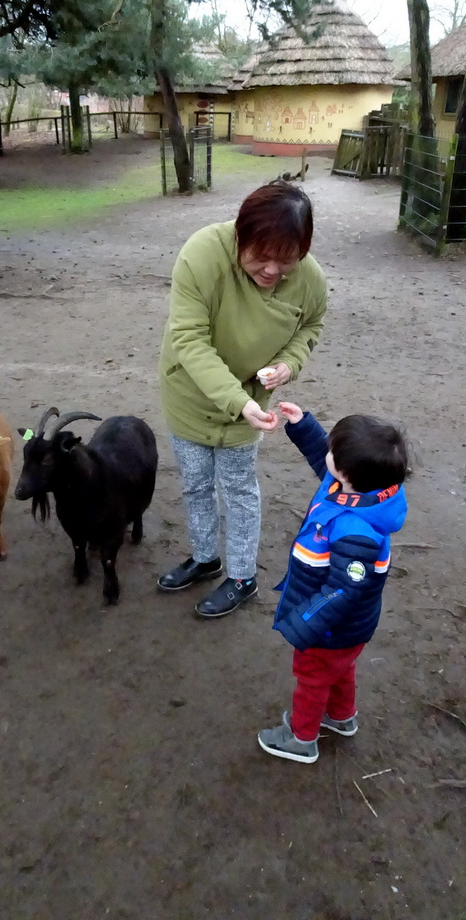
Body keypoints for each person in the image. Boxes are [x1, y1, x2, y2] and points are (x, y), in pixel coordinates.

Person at [157, 180, 328, 619]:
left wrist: (290, 363)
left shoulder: (309, 280)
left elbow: (311, 327)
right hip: (192, 394)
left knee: (237, 490)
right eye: (261, 256)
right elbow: (189, 340)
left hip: (251, 407)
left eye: (286, 260)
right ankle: (204, 557)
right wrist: (237, 399)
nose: (273, 270)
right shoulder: (201, 255)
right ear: (240, 234)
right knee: (195, 482)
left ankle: (241, 576)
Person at [257, 403, 409, 764]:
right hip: (346, 633)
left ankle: (301, 737)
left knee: (311, 678)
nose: (326, 452)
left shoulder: (354, 532)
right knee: (341, 669)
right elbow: (323, 462)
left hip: (329, 628)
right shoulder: (364, 489)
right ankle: (341, 717)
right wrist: (303, 426)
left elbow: (343, 590)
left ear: (346, 473)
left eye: (332, 451)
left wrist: (305, 622)